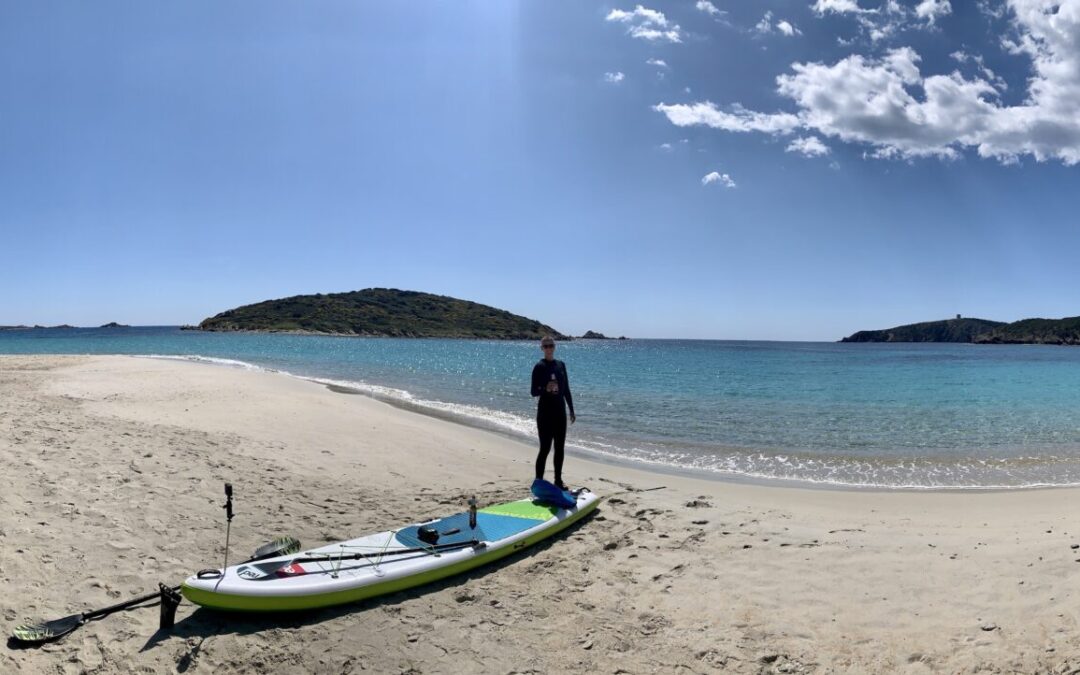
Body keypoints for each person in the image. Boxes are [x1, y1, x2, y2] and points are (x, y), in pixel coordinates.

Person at [531, 335, 575, 490]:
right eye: (546, 346)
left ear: (555, 347)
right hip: (545, 414)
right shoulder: (539, 366)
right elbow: (533, 391)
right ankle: (538, 482)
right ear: (542, 349)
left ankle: (558, 481)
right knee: (545, 448)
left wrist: (571, 410)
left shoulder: (561, 365)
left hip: (560, 414)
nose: (549, 348)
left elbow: (566, 390)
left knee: (560, 448)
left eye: (551, 345)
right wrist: (545, 388)